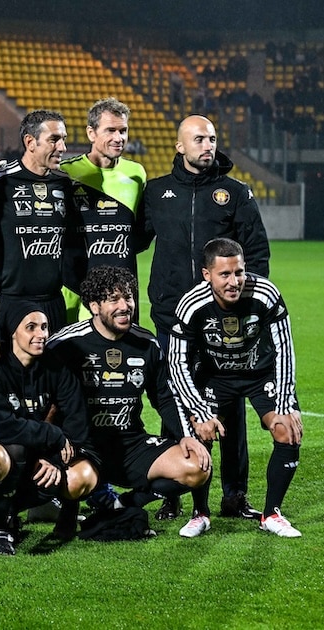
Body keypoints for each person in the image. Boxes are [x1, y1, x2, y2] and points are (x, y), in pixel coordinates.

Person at [140, 114, 270, 521]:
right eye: (198, 139)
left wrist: (242, 308)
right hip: (170, 317)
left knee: (228, 406)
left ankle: (234, 496)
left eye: (212, 138)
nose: (207, 145)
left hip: (222, 322)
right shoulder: (157, 191)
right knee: (173, 404)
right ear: (179, 146)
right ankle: (173, 492)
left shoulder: (235, 193)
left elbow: (257, 254)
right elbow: (132, 243)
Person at [47, 265, 212, 537]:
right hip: (84, 445)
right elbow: (45, 397)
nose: (125, 306)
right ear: (94, 306)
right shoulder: (65, 344)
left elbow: (165, 397)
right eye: (114, 299)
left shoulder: (146, 343)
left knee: (197, 466)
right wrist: (51, 441)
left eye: (129, 298)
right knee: (75, 482)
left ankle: (125, 503)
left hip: (131, 444)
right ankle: (68, 513)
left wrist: (186, 435)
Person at [169, 238, 302, 538]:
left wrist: (285, 406)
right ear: (207, 275)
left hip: (260, 373)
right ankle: (200, 513)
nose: (234, 282)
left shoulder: (266, 293)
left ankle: (271, 514)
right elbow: (176, 363)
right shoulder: (191, 304)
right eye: (225, 274)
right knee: (199, 434)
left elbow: (285, 349)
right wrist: (199, 411)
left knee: (287, 430)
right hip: (215, 377)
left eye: (239, 272)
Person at [0, 301, 95, 552]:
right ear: (12, 332)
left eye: (44, 327)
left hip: (41, 456)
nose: (41, 334)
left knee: (61, 477)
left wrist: (54, 459)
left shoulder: (56, 366)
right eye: (31, 327)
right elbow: (6, 426)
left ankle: (2, 515)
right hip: (0, 458)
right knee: (10, 452)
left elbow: (78, 418)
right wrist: (53, 434)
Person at [0, 110, 78, 339]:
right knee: (1, 371)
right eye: (54, 139)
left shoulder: (63, 184)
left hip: (52, 301)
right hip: (8, 301)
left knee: (51, 373)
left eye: (64, 139)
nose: (62, 147)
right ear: (30, 142)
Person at [59, 98, 146, 322]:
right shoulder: (66, 174)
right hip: (75, 290)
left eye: (123, 131)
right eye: (110, 130)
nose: (119, 138)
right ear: (91, 133)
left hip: (121, 292)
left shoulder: (136, 174)